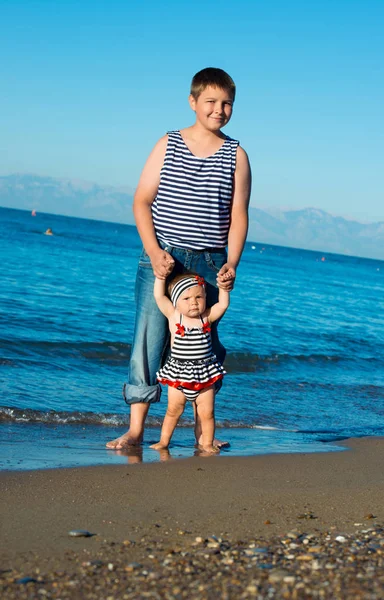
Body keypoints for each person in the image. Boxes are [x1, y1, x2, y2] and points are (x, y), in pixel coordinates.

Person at [106, 66, 251, 450]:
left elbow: (239, 215)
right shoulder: (168, 143)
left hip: (209, 264)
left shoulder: (237, 155)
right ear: (193, 101)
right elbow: (141, 200)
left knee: (205, 344)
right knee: (149, 340)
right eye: (211, 102)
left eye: (227, 104)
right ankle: (137, 430)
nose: (219, 110)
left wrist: (231, 263)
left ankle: (206, 433)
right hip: (163, 258)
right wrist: (154, 253)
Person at [150, 272, 231, 453]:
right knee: (173, 411)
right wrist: (160, 277)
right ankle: (163, 442)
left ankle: (207, 443)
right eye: (186, 298)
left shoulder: (207, 317)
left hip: (204, 376)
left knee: (207, 414)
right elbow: (159, 296)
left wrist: (224, 288)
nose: (193, 302)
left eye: (198, 297)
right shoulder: (174, 316)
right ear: (176, 301)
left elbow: (223, 304)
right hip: (179, 375)